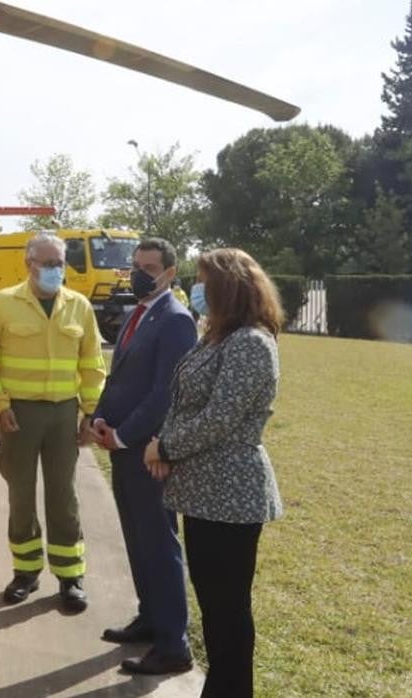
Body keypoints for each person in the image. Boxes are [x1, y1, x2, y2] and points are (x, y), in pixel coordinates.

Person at [144, 248, 284, 698]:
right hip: (205, 492)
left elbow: (219, 418)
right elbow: (183, 398)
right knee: (214, 608)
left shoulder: (251, 342)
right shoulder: (217, 337)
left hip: (233, 494)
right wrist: (163, 441)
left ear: (228, 286)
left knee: (228, 613)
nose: (196, 289)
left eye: (203, 280)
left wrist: (164, 445)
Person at [0, 233, 106, 610]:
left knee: (64, 495)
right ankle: (26, 573)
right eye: (46, 263)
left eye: (59, 262)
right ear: (28, 264)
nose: (54, 270)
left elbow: (92, 362)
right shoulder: (3, 303)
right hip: (19, 414)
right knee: (21, 494)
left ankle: (70, 575)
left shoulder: (79, 306)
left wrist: (88, 411)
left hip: (64, 413)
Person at [91, 238, 198, 675]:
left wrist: (123, 436)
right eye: (137, 265)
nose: (139, 273)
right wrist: (99, 417)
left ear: (171, 273)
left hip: (145, 451)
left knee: (158, 542)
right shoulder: (139, 312)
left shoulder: (176, 320)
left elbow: (164, 394)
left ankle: (173, 643)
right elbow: (118, 378)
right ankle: (150, 618)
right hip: (120, 445)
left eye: (150, 267)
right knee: (136, 538)